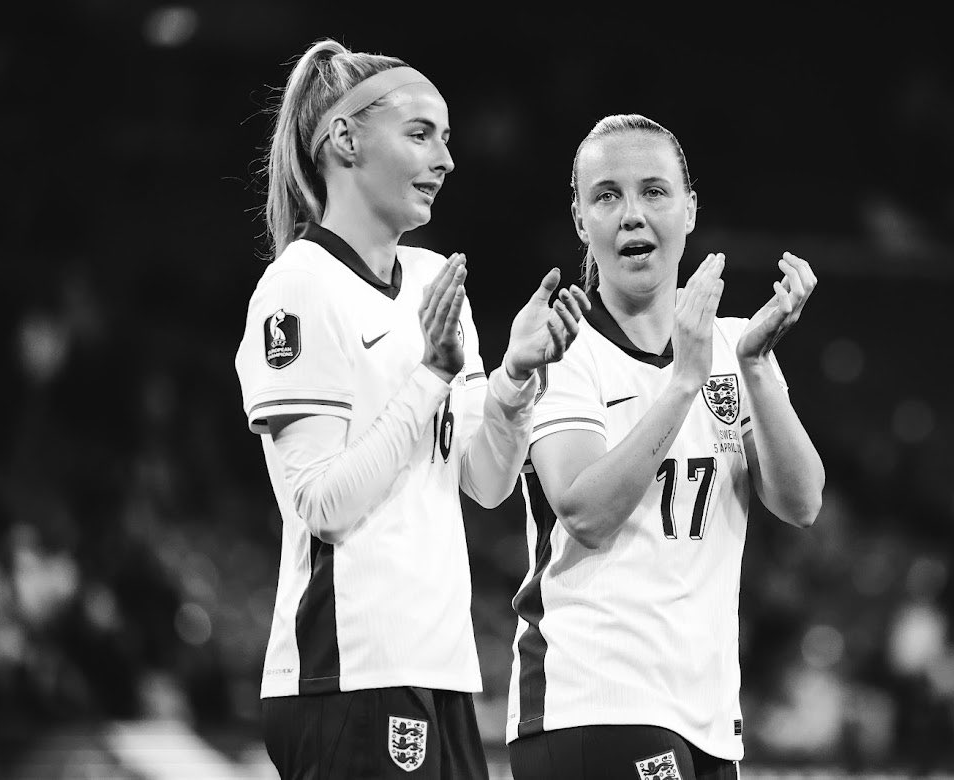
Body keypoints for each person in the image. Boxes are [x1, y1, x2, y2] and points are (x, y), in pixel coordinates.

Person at [234, 39, 590, 779]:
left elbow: (487, 483)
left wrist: (517, 383)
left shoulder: (434, 281)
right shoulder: (298, 288)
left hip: (442, 666)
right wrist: (430, 376)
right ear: (345, 140)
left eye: (448, 138)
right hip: (347, 674)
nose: (447, 159)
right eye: (421, 133)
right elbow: (323, 504)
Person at [505, 114, 826, 779]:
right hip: (592, 697)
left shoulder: (736, 346)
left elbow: (800, 502)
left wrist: (757, 364)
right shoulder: (564, 349)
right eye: (607, 195)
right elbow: (584, 513)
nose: (631, 215)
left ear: (689, 208)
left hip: (706, 713)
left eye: (653, 191)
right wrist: (685, 379)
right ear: (580, 219)